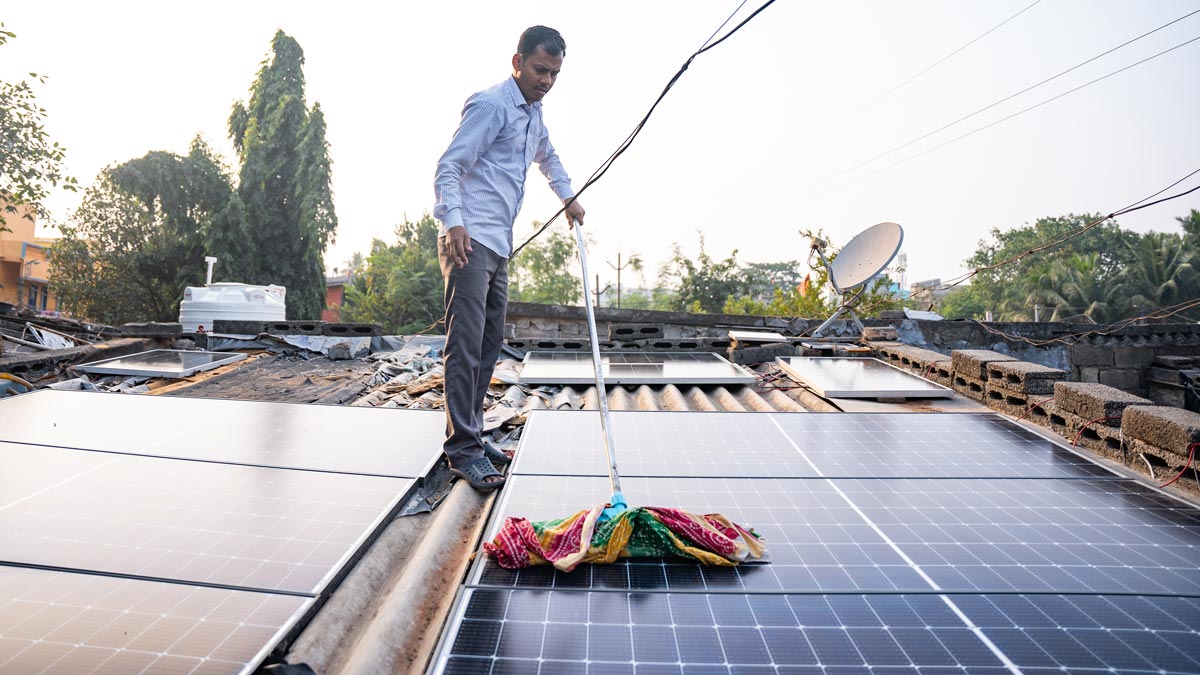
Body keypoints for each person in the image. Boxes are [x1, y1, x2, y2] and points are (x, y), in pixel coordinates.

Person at [433, 25, 585, 491]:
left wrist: (569, 197)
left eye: (555, 73)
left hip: (499, 243)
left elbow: (549, 158)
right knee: (465, 344)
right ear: (517, 62)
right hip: (468, 239)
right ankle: (461, 450)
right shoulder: (491, 105)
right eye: (540, 69)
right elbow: (449, 167)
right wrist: (453, 222)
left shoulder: (533, 116)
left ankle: (473, 436)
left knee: (489, 345)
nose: (547, 81)